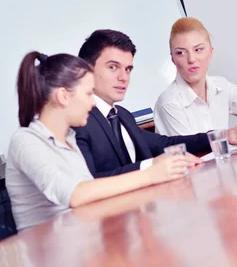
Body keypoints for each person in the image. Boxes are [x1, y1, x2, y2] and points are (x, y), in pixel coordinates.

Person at [6, 52, 189, 231]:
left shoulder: (69, 138)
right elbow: (75, 194)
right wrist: (152, 174)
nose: (93, 103)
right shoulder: (25, 141)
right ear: (63, 96)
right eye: (88, 94)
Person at [74, 29, 237, 178]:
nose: (123, 77)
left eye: (128, 69)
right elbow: (89, 183)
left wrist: (221, 135)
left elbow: (166, 143)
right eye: (113, 67)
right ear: (86, 69)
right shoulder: (76, 120)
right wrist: (151, 166)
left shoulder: (122, 115)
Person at [154, 17, 237, 135]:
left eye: (198, 49)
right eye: (181, 53)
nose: (191, 59)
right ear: (172, 59)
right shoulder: (169, 102)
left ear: (211, 52)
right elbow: (191, 154)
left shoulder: (220, 86)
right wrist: (229, 137)